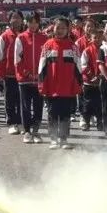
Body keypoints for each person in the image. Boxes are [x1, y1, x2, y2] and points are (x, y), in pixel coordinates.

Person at [39, 17, 81, 150]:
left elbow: (78, 68)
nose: (60, 30)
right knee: (52, 113)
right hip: (51, 87)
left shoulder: (73, 47)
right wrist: (41, 84)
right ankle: (53, 138)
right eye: (58, 27)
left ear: (68, 29)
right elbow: (42, 66)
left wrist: (78, 85)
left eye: (63, 28)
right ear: (53, 28)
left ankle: (63, 138)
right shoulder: (47, 45)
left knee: (65, 114)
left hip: (67, 88)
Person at [14, 12, 47, 143]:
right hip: (25, 79)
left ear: (39, 23)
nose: (33, 25)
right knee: (26, 106)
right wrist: (27, 73)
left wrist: (40, 74)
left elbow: (47, 59)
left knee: (38, 106)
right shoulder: (21, 38)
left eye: (36, 22)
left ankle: (36, 131)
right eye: (30, 22)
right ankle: (27, 131)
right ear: (26, 23)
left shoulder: (44, 38)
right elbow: (17, 59)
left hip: (39, 79)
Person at [0, 11, 23, 134]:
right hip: (9, 73)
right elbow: (0, 56)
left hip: (23, 74)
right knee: (10, 98)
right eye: (13, 18)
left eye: (18, 18)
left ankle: (21, 121)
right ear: (9, 20)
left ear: (22, 20)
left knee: (22, 100)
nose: (16, 20)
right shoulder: (4, 36)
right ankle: (12, 122)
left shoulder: (25, 35)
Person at [78, 30, 103, 132]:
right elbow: (83, 65)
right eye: (95, 37)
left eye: (99, 37)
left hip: (100, 82)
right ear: (90, 39)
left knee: (100, 103)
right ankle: (86, 121)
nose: (97, 39)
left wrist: (100, 76)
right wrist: (92, 76)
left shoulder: (104, 50)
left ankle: (100, 123)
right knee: (87, 103)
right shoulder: (87, 51)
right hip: (88, 82)